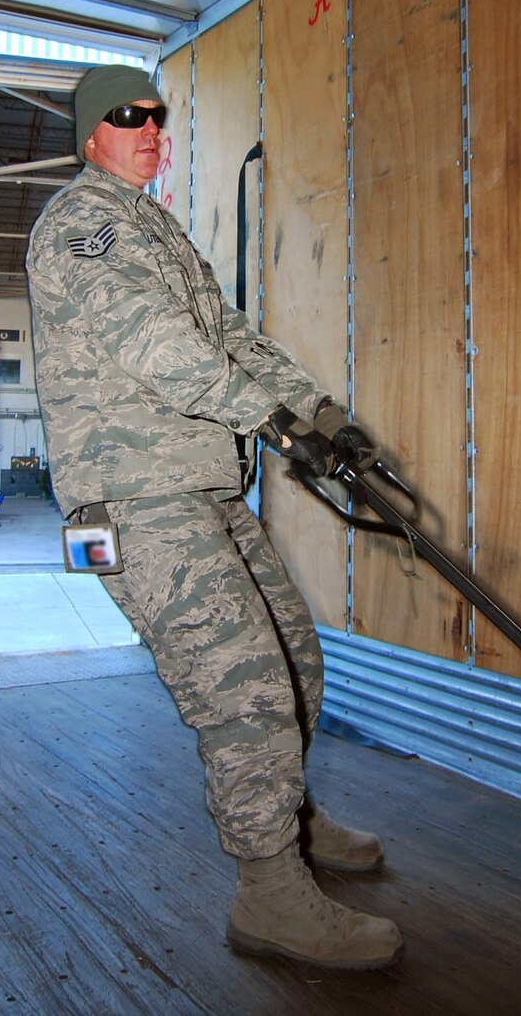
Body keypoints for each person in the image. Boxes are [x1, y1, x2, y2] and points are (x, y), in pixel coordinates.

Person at [25, 64, 403, 970]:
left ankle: (293, 822)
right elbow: (158, 348)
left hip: (202, 485)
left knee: (293, 661)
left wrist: (320, 415)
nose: (152, 129)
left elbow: (228, 339)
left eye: (159, 116)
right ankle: (269, 890)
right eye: (129, 117)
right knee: (241, 688)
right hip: (136, 499)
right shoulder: (81, 226)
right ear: (90, 135)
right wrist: (272, 425)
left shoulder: (154, 225)